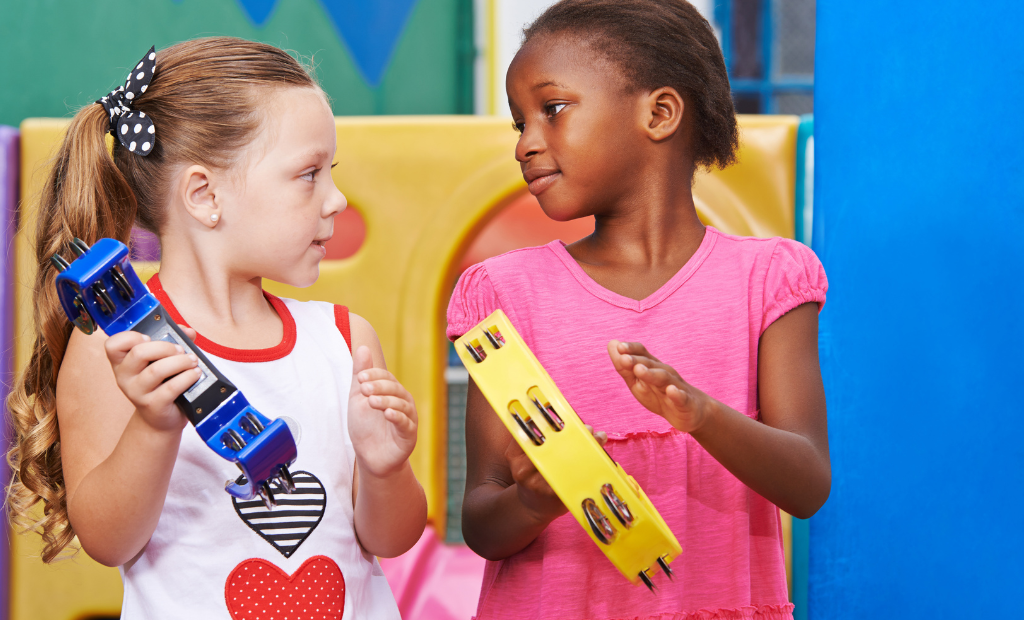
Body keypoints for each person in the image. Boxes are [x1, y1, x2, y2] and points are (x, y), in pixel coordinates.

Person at [7, 37, 426, 619]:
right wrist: (154, 425)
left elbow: (390, 540)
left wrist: (386, 468)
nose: (336, 200)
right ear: (205, 195)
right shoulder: (114, 346)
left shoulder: (345, 339)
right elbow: (108, 540)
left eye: (331, 172)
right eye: (309, 174)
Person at [447, 1, 830, 618]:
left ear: (659, 113)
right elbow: (484, 527)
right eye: (518, 123)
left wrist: (700, 414)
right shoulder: (504, 294)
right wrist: (537, 500)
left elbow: (807, 483)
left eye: (553, 109)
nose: (526, 143)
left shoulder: (769, 279)